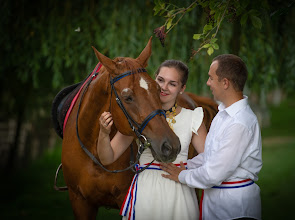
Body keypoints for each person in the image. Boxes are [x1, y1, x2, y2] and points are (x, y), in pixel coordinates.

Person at [97, 59, 208, 220]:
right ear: (153, 80)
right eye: (161, 80)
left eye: (172, 84)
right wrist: (103, 133)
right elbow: (107, 158)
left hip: (179, 192)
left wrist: (187, 173)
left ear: (182, 88)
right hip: (146, 192)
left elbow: (209, 159)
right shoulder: (138, 117)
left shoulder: (192, 118)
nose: (164, 87)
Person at [160, 54, 263, 220]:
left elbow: (214, 173)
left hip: (234, 207)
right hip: (217, 202)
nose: (208, 83)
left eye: (211, 78)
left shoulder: (240, 123)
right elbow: (210, 156)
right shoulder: (223, 114)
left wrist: (181, 175)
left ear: (225, 83)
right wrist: (184, 165)